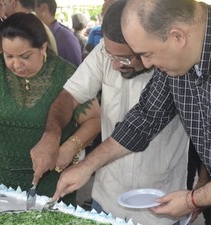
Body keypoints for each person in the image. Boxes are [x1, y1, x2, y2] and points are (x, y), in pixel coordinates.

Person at [46, 0, 211, 224]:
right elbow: (145, 118)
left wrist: (193, 199)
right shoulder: (177, 52)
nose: (147, 65)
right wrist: (87, 165)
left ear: (177, 37)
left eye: (146, 54)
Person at [30, 1, 189, 224]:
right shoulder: (107, 52)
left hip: (161, 203)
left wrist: (198, 192)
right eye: (110, 55)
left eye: (124, 58)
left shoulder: (175, 68)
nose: (114, 65)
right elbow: (69, 96)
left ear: (146, 47)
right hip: (106, 200)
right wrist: (52, 134)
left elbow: (142, 126)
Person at [0, 12, 101, 205]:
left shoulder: (66, 74)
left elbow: (95, 119)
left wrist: (69, 147)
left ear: (43, 48)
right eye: (9, 56)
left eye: (25, 56)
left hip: (50, 186)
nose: (16, 64)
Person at [34, 0, 82, 66]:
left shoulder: (66, 39)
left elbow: (77, 73)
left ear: (43, 8)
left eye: (32, 8)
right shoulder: (36, 35)